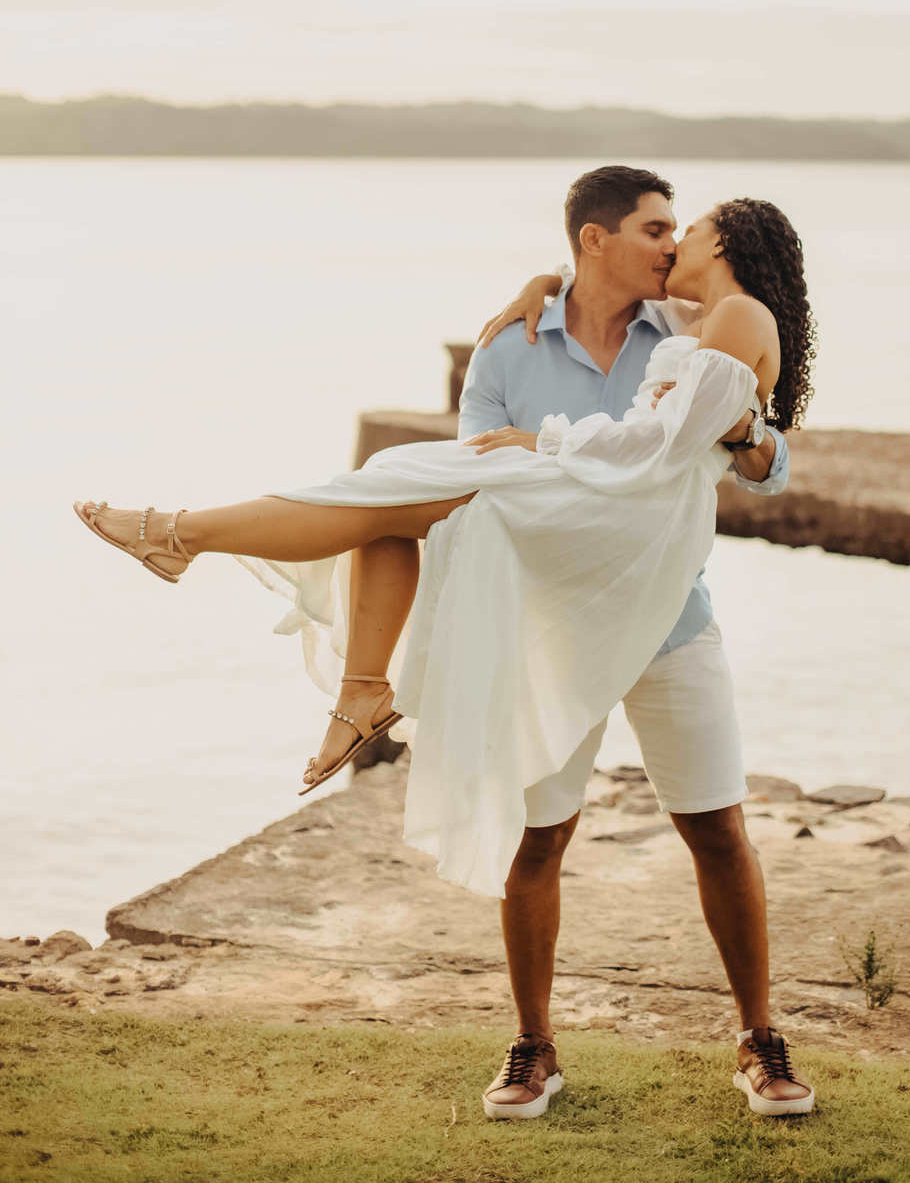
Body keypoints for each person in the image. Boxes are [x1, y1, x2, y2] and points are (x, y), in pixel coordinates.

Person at [74, 167, 818, 1119]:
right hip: (549, 620)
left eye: (685, 230)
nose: (674, 245)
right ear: (596, 240)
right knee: (536, 833)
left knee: (716, 826)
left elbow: (755, 451)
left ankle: (760, 1039)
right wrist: (536, 305)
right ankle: (532, 1047)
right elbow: (475, 478)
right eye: (656, 229)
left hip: (669, 616)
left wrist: (573, 440)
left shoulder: (686, 325)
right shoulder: (508, 347)